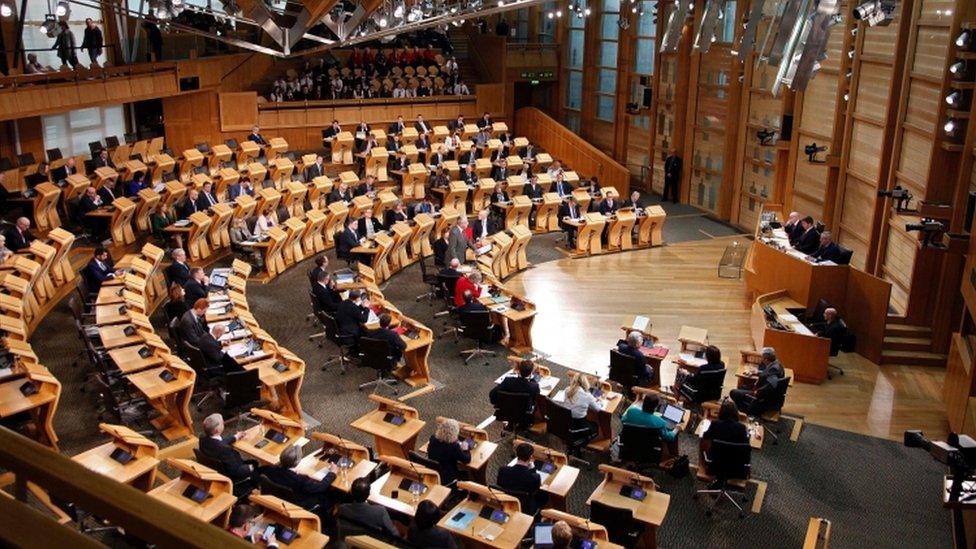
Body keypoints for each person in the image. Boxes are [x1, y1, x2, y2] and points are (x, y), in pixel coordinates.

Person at [262, 445, 338, 511]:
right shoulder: (300, 480)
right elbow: (320, 487)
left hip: (282, 500)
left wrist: (306, 475)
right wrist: (332, 473)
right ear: (297, 462)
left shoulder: (271, 469)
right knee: (333, 492)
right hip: (303, 504)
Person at [198, 413, 258, 491]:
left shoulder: (203, 438)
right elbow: (236, 471)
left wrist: (236, 437)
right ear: (217, 430)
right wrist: (251, 467)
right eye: (222, 423)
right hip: (232, 476)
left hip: (215, 470)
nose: (224, 422)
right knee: (255, 464)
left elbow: (219, 442)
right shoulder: (224, 450)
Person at [700, 399, 750, 477]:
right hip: (736, 465)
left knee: (704, 443)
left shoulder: (715, 424)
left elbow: (705, 436)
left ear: (721, 412)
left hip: (716, 463)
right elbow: (746, 445)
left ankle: (702, 466)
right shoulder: (741, 427)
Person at [496, 442, 546, 515]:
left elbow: (499, 483)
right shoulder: (534, 477)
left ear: (517, 455)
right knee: (544, 495)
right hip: (525, 507)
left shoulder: (503, 470)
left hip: (506, 501)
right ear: (530, 458)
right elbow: (535, 491)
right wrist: (533, 469)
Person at [426, 418, 472, 488]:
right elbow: (466, 460)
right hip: (448, 477)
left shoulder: (433, 439)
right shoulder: (453, 446)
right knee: (466, 474)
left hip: (434, 472)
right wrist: (466, 449)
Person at [562, 374, 601, 440]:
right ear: (585, 382)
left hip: (567, 424)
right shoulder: (587, 395)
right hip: (579, 426)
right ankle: (581, 442)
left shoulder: (567, 390)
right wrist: (599, 402)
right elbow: (598, 409)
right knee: (595, 426)